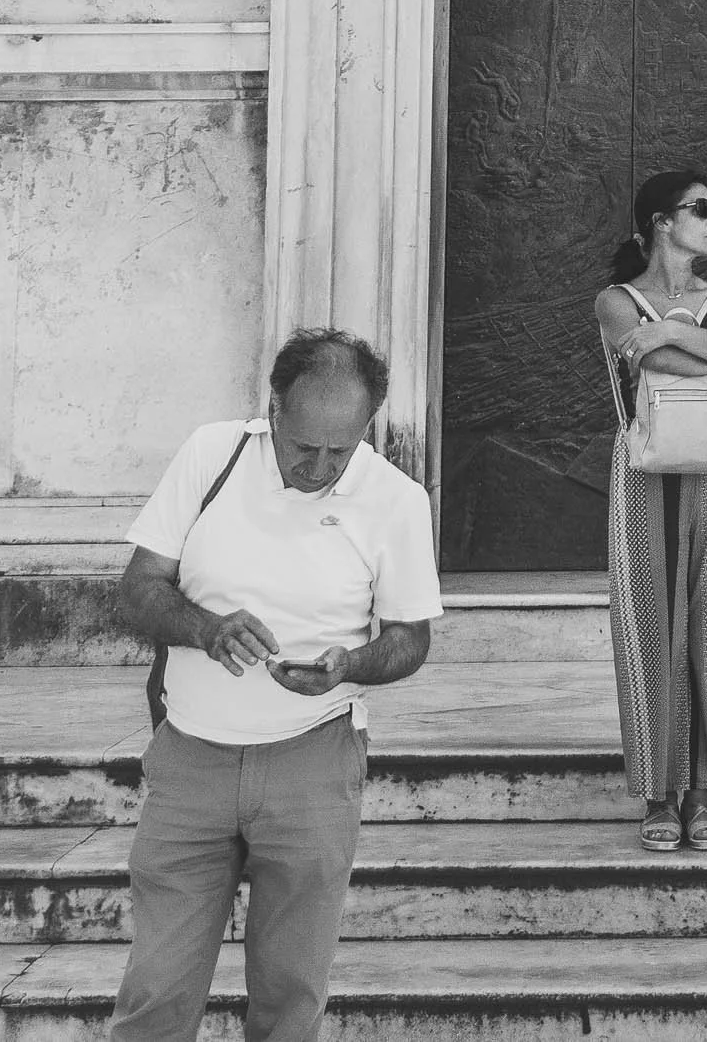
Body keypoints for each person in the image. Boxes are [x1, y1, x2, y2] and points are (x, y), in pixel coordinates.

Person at [110, 330, 443, 1042]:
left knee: (291, 994)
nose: (319, 468)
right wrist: (206, 629)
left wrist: (348, 666)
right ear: (273, 410)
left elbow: (410, 639)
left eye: (340, 451)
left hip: (313, 762)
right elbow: (138, 590)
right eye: (304, 448)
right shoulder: (212, 454)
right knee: (157, 991)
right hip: (191, 760)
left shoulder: (397, 499)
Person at [595, 170, 707, 852]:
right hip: (644, 469)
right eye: (702, 208)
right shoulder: (616, 300)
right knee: (650, 626)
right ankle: (659, 795)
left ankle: (702, 793)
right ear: (662, 222)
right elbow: (654, 359)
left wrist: (669, 335)